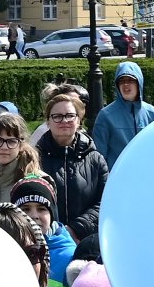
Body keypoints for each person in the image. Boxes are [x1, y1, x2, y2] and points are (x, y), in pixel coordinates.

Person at [34, 89, 106, 243]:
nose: (64, 121)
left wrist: (76, 229)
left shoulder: (96, 159)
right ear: (48, 121)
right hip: (46, 241)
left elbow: (105, 201)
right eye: (57, 116)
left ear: (79, 120)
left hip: (87, 241)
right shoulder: (33, 160)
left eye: (70, 116)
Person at [92, 61, 154, 168]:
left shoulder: (152, 114)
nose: (125, 84)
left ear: (139, 83)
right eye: (121, 81)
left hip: (147, 177)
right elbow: (99, 157)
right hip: (117, 179)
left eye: (130, 80)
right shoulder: (106, 115)